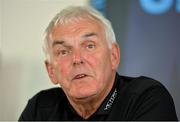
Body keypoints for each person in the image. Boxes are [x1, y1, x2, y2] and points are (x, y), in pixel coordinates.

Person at [19, 6, 178, 121]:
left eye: (89, 46)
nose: (77, 59)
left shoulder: (146, 98)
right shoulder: (39, 109)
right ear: (51, 71)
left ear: (113, 56)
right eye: (64, 51)